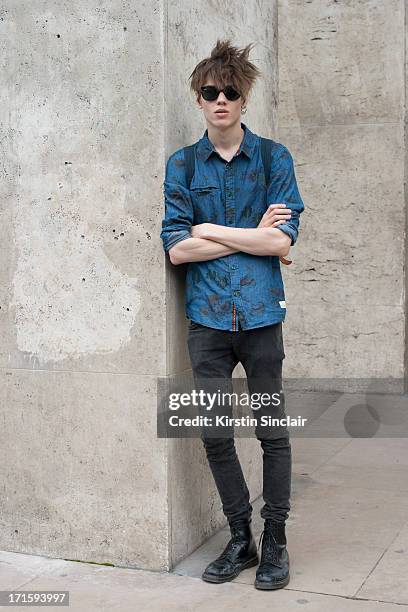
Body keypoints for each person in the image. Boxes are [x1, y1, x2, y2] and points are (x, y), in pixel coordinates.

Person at [160, 39, 304, 590]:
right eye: (209, 92)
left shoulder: (273, 158)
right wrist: (253, 236)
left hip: (262, 316)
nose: (220, 100)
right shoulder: (182, 165)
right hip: (208, 321)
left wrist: (211, 230)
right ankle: (239, 537)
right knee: (216, 435)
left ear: (244, 100)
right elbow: (176, 250)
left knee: (272, 432)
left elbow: (283, 239)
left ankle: (276, 541)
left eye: (230, 92)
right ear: (199, 100)